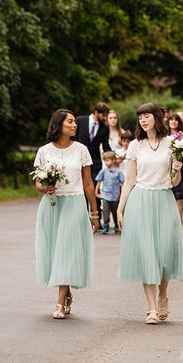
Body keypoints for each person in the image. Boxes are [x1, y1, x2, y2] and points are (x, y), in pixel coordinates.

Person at [118, 102, 183, 324]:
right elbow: (129, 180)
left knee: (165, 251)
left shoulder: (172, 143)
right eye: (140, 117)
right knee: (146, 253)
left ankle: (163, 295)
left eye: (147, 116)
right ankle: (151, 308)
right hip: (141, 200)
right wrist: (121, 209)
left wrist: (177, 169)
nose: (143, 120)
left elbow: (174, 182)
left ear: (157, 118)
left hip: (164, 199)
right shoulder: (135, 146)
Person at [34, 109, 99, 319]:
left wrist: (94, 212)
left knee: (67, 250)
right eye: (70, 122)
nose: (74, 125)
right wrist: (45, 188)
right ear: (59, 124)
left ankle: (60, 303)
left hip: (74, 203)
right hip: (52, 205)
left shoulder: (81, 150)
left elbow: (88, 183)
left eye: (74, 122)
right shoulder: (44, 151)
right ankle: (67, 292)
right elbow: (37, 182)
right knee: (55, 252)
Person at [95, 151, 125, 235]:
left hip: (115, 196)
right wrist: (96, 192)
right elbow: (98, 181)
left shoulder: (118, 172)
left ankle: (116, 225)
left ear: (113, 160)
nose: (106, 162)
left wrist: (122, 194)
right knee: (105, 211)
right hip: (105, 195)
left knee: (115, 211)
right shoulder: (103, 171)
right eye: (105, 160)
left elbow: (122, 184)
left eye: (108, 160)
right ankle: (105, 226)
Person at [77, 101, 110, 169]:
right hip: (78, 160)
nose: (105, 118)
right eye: (103, 115)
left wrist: (113, 155)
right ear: (96, 113)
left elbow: (106, 146)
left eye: (106, 116)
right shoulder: (80, 121)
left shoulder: (105, 128)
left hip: (95, 163)